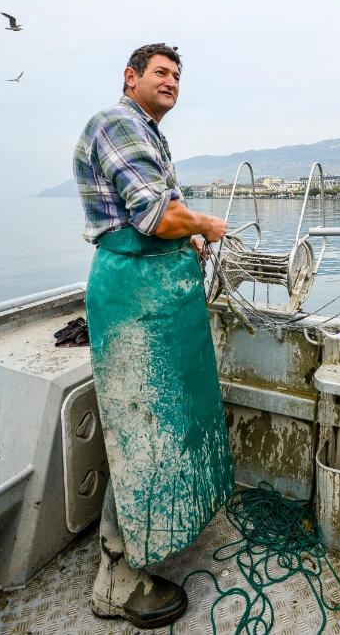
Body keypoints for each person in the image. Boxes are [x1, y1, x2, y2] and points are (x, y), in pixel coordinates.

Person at [73, 43, 234, 628]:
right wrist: (204, 225)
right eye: (161, 73)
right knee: (138, 427)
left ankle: (146, 541)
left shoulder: (148, 131)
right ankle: (115, 580)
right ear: (131, 77)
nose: (171, 82)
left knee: (164, 421)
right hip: (133, 300)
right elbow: (153, 215)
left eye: (177, 76)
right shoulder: (116, 122)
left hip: (158, 295)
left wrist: (183, 236)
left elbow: (163, 209)